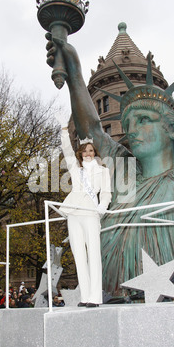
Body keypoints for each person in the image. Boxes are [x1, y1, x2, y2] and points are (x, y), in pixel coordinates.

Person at [45, 34, 174, 306]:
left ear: (173, 128)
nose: (132, 130)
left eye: (144, 119)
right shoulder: (124, 174)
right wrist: (74, 72)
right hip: (112, 316)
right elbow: (92, 130)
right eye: (128, 122)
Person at [59, 124, 111, 307]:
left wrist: (103, 205)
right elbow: (66, 150)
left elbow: (106, 193)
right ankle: (85, 296)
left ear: (94, 152)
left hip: (90, 212)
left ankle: (95, 298)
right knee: (79, 256)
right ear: (80, 153)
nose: (88, 153)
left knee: (94, 255)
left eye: (91, 150)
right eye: (84, 151)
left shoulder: (103, 171)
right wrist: (65, 131)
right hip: (73, 212)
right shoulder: (76, 169)